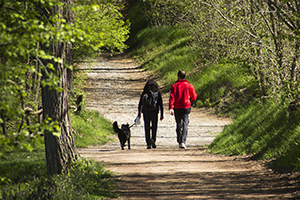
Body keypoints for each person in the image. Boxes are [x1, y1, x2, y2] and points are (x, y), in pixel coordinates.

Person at [169, 70, 197, 149]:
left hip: (177, 108)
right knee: (185, 124)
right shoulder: (189, 85)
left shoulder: (174, 86)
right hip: (186, 107)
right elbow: (194, 97)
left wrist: (171, 107)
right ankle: (183, 142)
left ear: (178, 76)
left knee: (178, 124)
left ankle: (179, 140)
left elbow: (171, 97)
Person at [138, 79, 164, 149]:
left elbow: (140, 104)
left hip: (146, 112)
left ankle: (148, 143)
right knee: (154, 126)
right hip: (154, 112)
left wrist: (139, 114)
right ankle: (153, 139)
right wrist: (162, 114)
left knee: (147, 127)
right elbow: (160, 104)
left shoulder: (144, 93)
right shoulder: (157, 93)